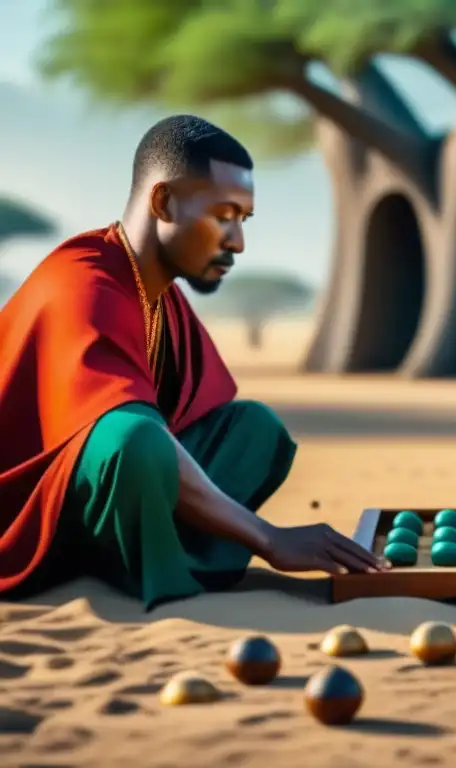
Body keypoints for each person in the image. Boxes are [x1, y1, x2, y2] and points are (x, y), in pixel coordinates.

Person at [0, 115, 387, 611]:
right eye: (223, 215)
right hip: (36, 513)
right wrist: (268, 538)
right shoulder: (84, 283)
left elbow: (189, 415)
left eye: (243, 220)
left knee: (253, 429)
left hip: (120, 483)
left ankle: (168, 554)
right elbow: (132, 430)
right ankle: (137, 564)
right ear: (163, 202)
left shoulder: (158, 294)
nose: (237, 243)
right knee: (135, 440)